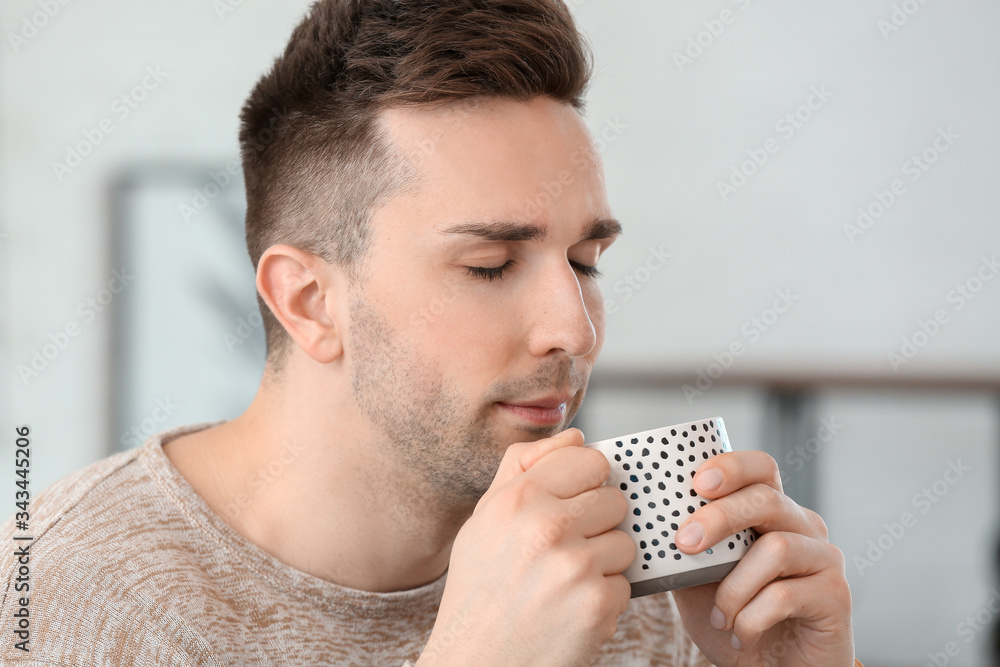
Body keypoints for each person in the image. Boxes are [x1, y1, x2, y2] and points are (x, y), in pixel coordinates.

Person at [0, 0, 858, 664]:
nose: (574, 327)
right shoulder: (63, 598)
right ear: (307, 301)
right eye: (490, 265)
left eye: (586, 260)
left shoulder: (623, 580)